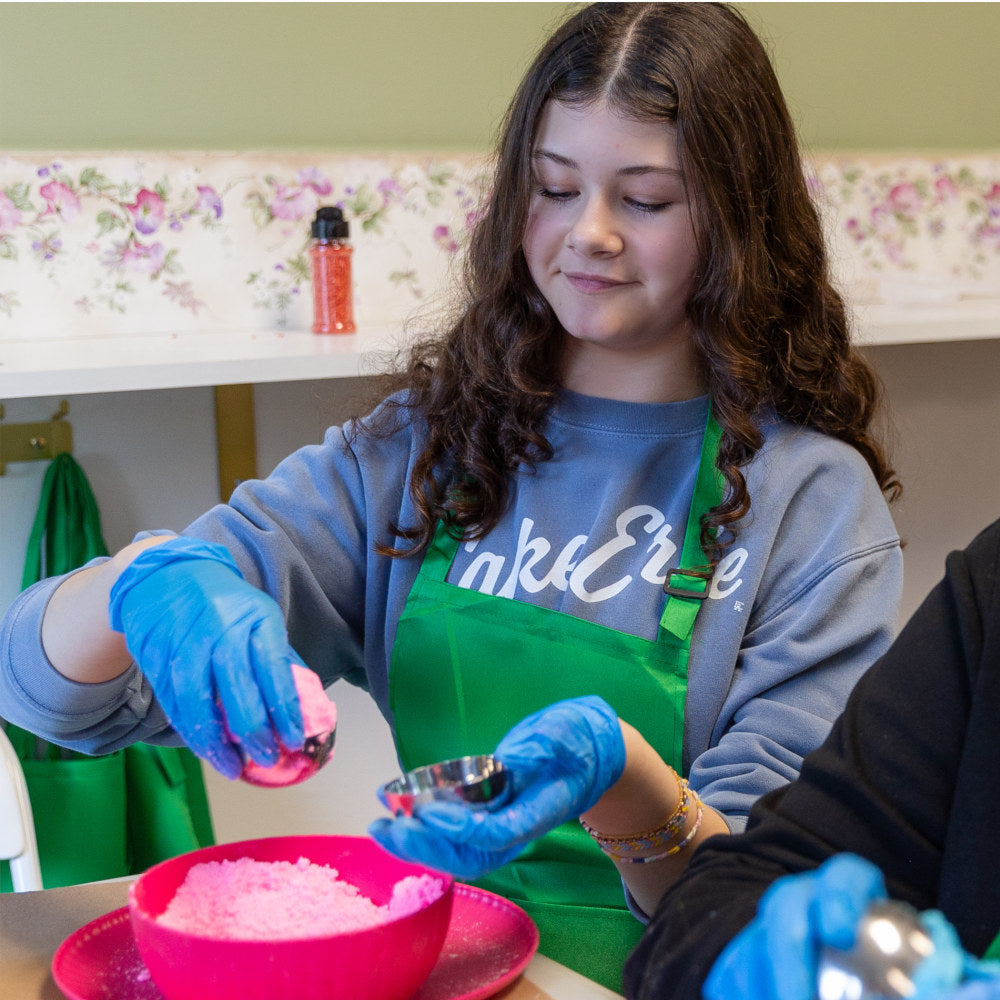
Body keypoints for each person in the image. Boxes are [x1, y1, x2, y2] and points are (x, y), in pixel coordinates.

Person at [0, 2, 902, 990]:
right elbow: (46, 698)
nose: (586, 234)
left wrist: (625, 782)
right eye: (553, 188)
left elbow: (755, 897)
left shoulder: (814, 505)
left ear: (738, 220)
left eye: (644, 199)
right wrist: (140, 584)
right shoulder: (426, 447)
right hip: (430, 973)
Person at [621, 516, 1000, 1000]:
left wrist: (631, 800)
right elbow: (727, 897)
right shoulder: (990, 584)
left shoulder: (819, 511)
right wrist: (736, 944)